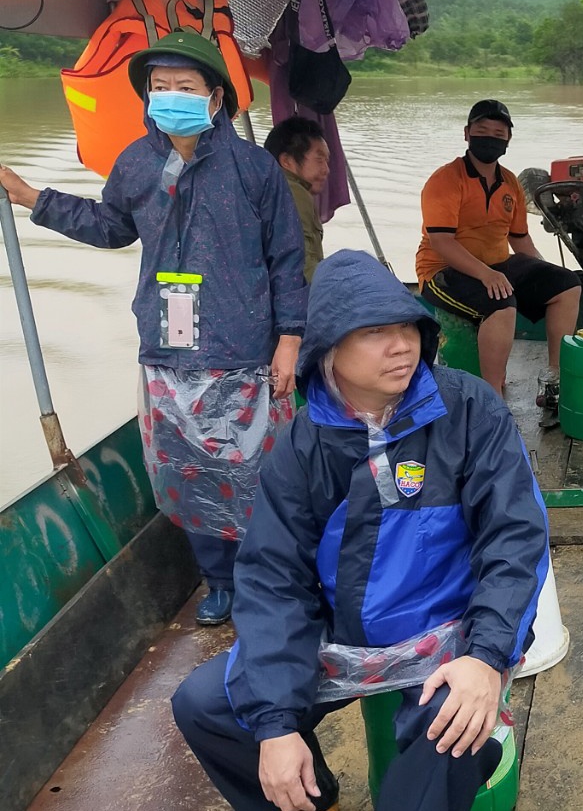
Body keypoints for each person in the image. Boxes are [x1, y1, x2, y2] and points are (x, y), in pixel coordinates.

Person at [171, 249, 550, 811]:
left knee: (443, 744)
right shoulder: (303, 447)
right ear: (329, 349)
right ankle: (311, 797)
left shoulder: (470, 411)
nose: (401, 345)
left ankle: (471, 753)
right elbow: (276, 580)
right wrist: (276, 726)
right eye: (374, 332)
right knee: (204, 705)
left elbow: (514, 540)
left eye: (406, 327)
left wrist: (487, 657)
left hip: (452, 637)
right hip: (343, 635)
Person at [0, 31, 305, 626]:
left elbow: (286, 257)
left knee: (259, 474)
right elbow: (111, 226)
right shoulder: (136, 162)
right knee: (188, 473)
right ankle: (219, 581)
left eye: (185, 88)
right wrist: (28, 195)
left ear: (215, 97)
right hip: (167, 349)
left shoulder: (253, 168)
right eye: (159, 87)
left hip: (245, 351)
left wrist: (290, 337)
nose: (170, 97)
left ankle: (271, 578)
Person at [415, 99, 582, 403]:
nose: (490, 138)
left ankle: (556, 379)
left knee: (566, 285)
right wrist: (486, 274)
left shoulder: (509, 183)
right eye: (482, 130)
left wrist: (542, 273)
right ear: (467, 134)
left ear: (508, 139)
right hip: (441, 271)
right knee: (502, 303)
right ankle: (493, 398)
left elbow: (520, 239)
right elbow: (442, 241)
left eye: (498, 132)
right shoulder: (446, 180)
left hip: (496, 264)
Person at [265, 116, 330, 283]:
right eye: (319, 159)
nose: (326, 170)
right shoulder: (293, 192)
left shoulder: (269, 186)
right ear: (287, 161)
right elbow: (304, 266)